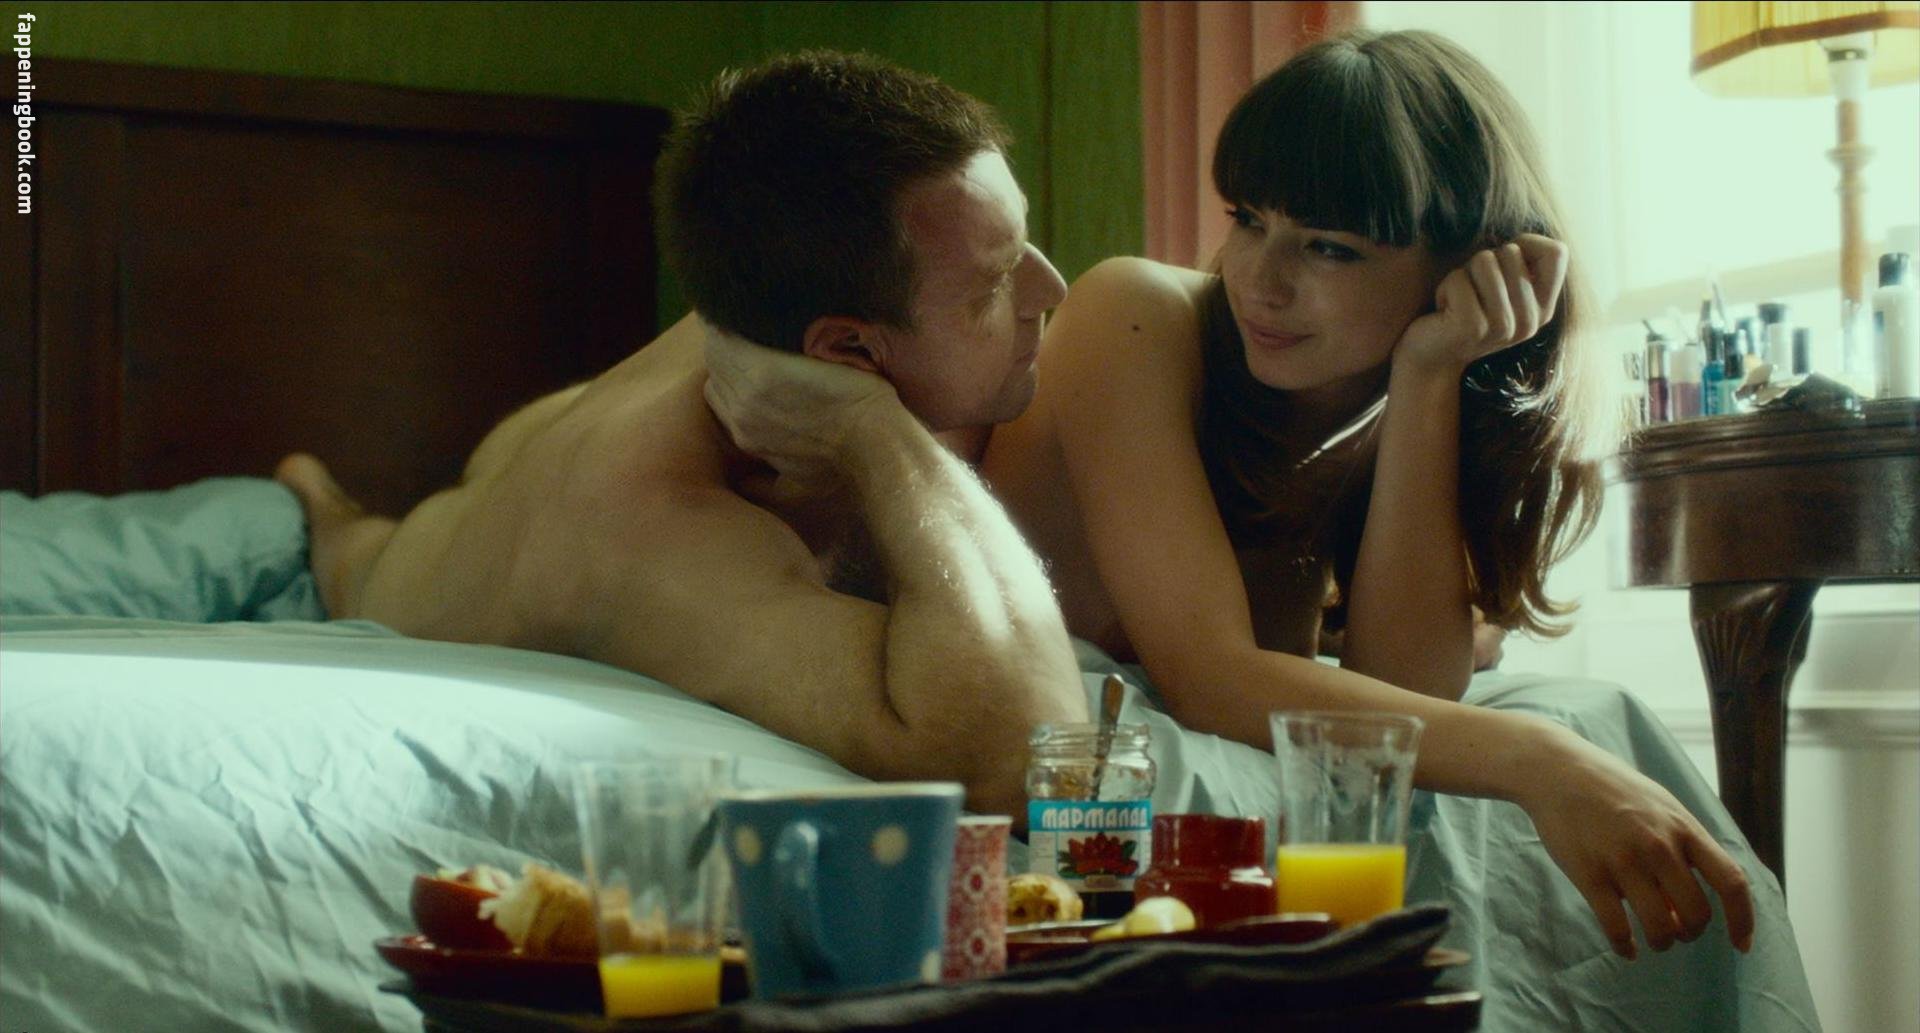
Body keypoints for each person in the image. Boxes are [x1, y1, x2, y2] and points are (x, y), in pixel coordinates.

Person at [978, 29, 1758, 963]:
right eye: (1249, 220)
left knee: (1609, 721)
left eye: (1328, 248)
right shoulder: (1132, 313)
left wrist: (1429, 371)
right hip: (1061, 725)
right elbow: (1209, 676)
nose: (1259, 280)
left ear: (1465, 268)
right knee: (1566, 746)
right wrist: (1539, 761)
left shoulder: (1399, 392)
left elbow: (1402, 693)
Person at [277, 51, 1087, 820]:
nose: (1050, 289)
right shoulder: (657, 536)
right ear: (846, 353)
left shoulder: (790, 282)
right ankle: (307, 484)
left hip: (578, 431)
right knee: (352, 546)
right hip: (440, 560)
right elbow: (1023, 758)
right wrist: (872, 430)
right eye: (994, 282)